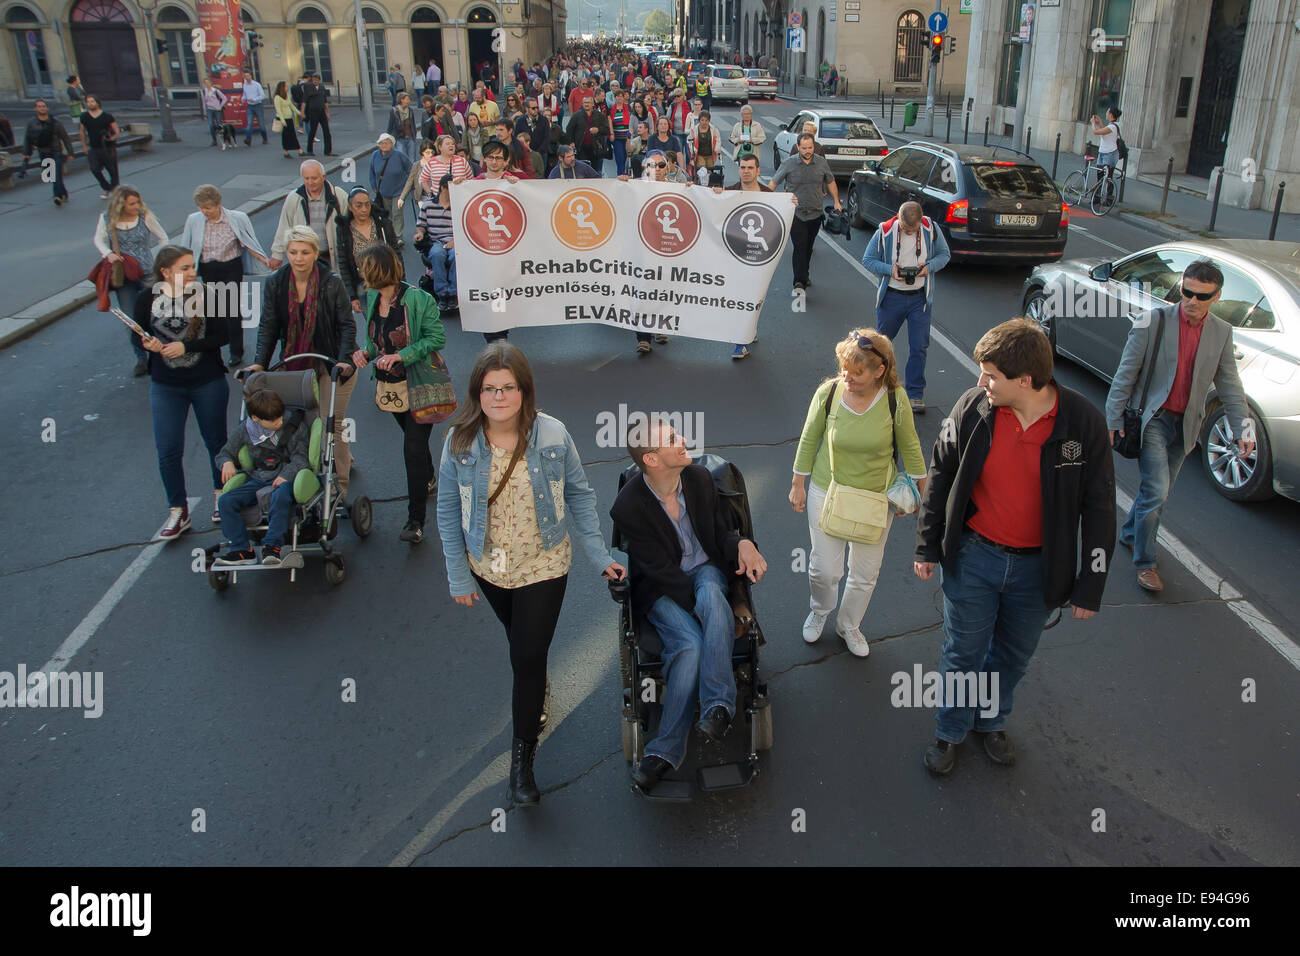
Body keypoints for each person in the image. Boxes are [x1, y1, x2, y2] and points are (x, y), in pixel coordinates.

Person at [915, 318, 1115, 775]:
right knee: (963, 652)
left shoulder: (1083, 423)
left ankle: (991, 720)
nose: (980, 381)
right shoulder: (973, 407)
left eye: (990, 375)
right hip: (974, 558)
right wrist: (927, 546)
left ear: (1025, 381)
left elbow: (1100, 507)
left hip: (1039, 571)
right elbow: (941, 475)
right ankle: (950, 730)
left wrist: (1091, 584)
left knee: (1012, 655)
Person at [436, 343, 626, 807]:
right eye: (489, 389)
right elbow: (445, 510)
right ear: (476, 393)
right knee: (520, 644)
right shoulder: (459, 441)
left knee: (525, 657)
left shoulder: (553, 435)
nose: (498, 396)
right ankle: (536, 682)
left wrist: (600, 555)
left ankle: (522, 762)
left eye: (508, 388)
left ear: (524, 390)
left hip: (544, 565)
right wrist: (459, 576)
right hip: (489, 568)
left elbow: (580, 495)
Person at [611, 418, 768, 791]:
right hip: (661, 589)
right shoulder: (629, 507)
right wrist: (699, 614)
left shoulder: (698, 480)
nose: (683, 440)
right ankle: (665, 750)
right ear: (651, 458)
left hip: (706, 572)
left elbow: (719, 535)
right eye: (671, 439)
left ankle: (718, 705)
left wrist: (744, 544)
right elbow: (659, 572)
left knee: (712, 591)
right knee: (690, 644)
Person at [1104, 259, 1252, 593]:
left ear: (1216, 296)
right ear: (1181, 287)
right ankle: (1145, 563)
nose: (1192, 301)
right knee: (1156, 490)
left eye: (1202, 296)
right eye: (1187, 292)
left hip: (1186, 425)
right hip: (1153, 421)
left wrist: (1242, 429)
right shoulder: (1152, 322)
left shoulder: (1221, 332)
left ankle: (1130, 533)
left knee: (1159, 492)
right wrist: (1112, 418)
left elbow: (1230, 384)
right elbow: (1125, 374)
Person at [790, 330, 926, 654]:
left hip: (876, 497)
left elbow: (911, 445)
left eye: (856, 372)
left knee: (865, 573)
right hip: (828, 488)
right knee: (824, 570)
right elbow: (809, 439)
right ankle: (820, 610)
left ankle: (849, 624)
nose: (846, 378)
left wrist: (923, 494)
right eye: (843, 369)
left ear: (880, 371)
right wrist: (797, 484)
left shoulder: (895, 399)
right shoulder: (829, 393)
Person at [247, 226, 358, 500]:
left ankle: (339, 488)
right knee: (301, 422)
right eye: (293, 252)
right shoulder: (276, 282)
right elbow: (269, 326)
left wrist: (343, 361)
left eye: (305, 252)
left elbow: (346, 326)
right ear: (287, 253)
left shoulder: (331, 282)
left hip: (331, 361)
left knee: (331, 423)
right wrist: (259, 363)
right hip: (296, 362)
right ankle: (313, 472)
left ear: (314, 253)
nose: (299, 258)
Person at [350, 243, 445, 542]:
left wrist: (403, 356)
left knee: (412, 449)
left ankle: (415, 521)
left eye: (364, 268)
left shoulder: (418, 299)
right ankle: (428, 476)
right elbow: (373, 341)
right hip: (390, 388)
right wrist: (363, 354)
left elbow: (436, 338)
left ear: (378, 269)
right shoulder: (371, 297)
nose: (360, 274)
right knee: (413, 443)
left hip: (419, 385)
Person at [133, 246, 230, 539]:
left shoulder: (207, 295)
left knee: (216, 442)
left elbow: (223, 335)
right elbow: (136, 337)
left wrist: (186, 346)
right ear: (165, 272)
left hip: (207, 380)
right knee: (168, 448)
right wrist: (147, 345)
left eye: (192, 267)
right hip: (166, 385)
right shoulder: (146, 299)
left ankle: (221, 496)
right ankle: (178, 510)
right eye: (184, 268)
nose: (192, 273)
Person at [862, 200, 953, 415]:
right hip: (892, 297)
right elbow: (868, 260)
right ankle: (877, 387)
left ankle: (915, 394)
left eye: (912, 230)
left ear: (921, 222)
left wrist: (927, 268)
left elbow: (944, 255)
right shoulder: (884, 231)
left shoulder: (931, 229)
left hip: (919, 299)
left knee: (919, 347)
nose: (908, 232)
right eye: (904, 228)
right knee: (880, 346)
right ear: (898, 219)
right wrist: (890, 270)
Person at [212, 388, 309, 567]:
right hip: (258, 477)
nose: (279, 422)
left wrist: (286, 475)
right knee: (226, 501)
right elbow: (224, 453)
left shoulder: (293, 426)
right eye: (273, 421)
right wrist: (226, 462)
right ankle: (242, 550)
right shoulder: (245, 430)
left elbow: (301, 457)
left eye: (280, 417)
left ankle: (272, 546)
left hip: (287, 476)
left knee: (280, 496)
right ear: (256, 418)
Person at [180, 184, 271, 367]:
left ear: (218, 204)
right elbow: (186, 246)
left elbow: (249, 241)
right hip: (207, 268)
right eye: (201, 207)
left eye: (208, 208)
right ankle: (215, 348)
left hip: (231, 267)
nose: (204, 211)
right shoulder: (194, 220)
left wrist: (264, 259)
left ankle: (236, 351)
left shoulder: (237, 218)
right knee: (213, 310)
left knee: (231, 309)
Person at [95, 185, 168, 376]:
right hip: (124, 276)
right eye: (132, 203)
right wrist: (108, 254)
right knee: (130, 318)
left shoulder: (145, 217)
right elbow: (98, 240)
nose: (137, 206)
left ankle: (155, 354)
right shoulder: (106, 219)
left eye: (138, 202)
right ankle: (140, 357)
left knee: (153, 315)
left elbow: (163, 238)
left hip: (147, 273)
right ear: (121, 205)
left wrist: (156, 260)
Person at [770, 133, 840, 291]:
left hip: (815, 212)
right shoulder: (788, 163)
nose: (808, 151)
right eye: (804, 148)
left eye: (810, 148)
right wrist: (767, 200)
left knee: (808, 247)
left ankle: (804, 274)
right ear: (798, 147)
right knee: (800, 246)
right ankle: (799, 281)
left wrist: (836, 201)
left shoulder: (821, 163)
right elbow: (773, 182)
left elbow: (830, 181)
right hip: (796, 213)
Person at [268, 159, 349, 271]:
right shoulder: (294, 198)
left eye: (314, 178)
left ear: (323, 177)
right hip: (304, 258)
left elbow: (350, 225)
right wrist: (277, 254)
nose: (310, 182)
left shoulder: (338, 195)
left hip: (331, 258)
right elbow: (284, 226)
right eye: (306, 178)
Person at [335, 186, 399, 315]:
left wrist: (401, 282)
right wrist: (352, 296)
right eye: (359, 206)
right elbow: (343, 263)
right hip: (363, 286)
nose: (364, 209)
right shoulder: (344, 229)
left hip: (388, 282)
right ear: (350, 207)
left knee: (393, 323)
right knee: (373, 326)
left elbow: (396, 254)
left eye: (367, 205)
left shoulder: (383, 224)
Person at [415, 173, 457, 312]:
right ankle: (442, 294)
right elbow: (421, 225)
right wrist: (420, 234)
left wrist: (455, 241)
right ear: (444, 188)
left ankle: (453, 292)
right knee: (437, 254)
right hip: (436, 241)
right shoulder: (428, 205)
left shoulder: (459, 206)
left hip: (453, 241)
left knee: (456, 256)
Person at [21, 100, 74, 206]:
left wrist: (70, 153)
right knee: (50, 176)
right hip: (43, 152)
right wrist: (26, 153)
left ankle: (57, 196)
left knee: (56, 174)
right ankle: (63, 192)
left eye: (44, 106)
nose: (42, 108)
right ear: (35, 109)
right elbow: (28, 138)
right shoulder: (32, 123)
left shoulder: (55, 122)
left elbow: (65, 138)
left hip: (56, 151)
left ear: (47, 108)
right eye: (39, 106)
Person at [370, 133, 414, 243]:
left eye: (386, 143)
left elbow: (410, 169)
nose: (383, 145)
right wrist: (374, 186)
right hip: (383, 191)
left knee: (397, 213)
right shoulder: (375, 155)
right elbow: (371, 172)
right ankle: (389, 234)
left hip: (398, 190)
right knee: (386, 214)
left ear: (392, 144)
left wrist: (409, 184)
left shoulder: (399, 155)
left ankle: (398, 236)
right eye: (381, 143)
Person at [78, 94, 119, 197]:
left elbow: (116, 130)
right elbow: (82, 132)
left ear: (97, 103)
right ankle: (106, 187)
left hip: (107, 147)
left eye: (92, 101)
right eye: (88, 102)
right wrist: (84, 146)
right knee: (94, 169)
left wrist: (111, 138)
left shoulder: (107, 116)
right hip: (94, 147)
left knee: (112, 170)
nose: (90, 104)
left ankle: (115, 188)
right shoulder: (84, 117)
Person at [566, 94, 611, 171]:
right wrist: (571, 142)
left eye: (588, 102)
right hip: (581, 148)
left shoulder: (599, 115)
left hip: (595, 148)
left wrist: (598, 130)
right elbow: (569, 130)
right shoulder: (577, 115)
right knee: (581, 170)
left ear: (593, 104)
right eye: (585, 103)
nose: (586, 104)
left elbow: (606, 129)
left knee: (595, 170)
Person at [1090, 106, 1123, 200]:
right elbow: (1105, 131)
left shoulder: (1113, 126)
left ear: (1111, 114)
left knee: (1108, 177)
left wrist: (1093, 123)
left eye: (1107, 112)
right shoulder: (1111, 126)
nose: (1106, 113)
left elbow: (1096, 132)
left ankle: (1108, 198)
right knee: (1100, 176)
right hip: (1103, 152)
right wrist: (1100, 122)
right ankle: (1097, 197)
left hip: (1110, 154)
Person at [303, 74, 334, 156]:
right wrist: (302, 112)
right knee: (313, 131)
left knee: (326, 131)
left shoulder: (321, 88)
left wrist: (327, 113)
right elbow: (304, 101)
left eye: (316, 80)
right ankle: (310, 150)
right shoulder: (309, 88)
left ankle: (328, 151)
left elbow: (325, 101)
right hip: (313, 112)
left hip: (321, 111)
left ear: (319, 80)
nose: (315, 81)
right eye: (313, 80)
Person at [686, 109, 720, 183]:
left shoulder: (713, 129)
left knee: (709, 172)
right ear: (699, 120)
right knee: (703, 171)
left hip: (710, 154)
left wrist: (717, 148)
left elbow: (717, 139)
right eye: (702, 120)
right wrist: (693, 149)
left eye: (706, 120)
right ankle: (703, 185)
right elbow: (689, 140)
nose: (704, 122)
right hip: (700, 155)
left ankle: (709, 186)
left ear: (709, 121)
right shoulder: (694, 130)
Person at [273, 80, 304, 157]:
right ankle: (293, 151)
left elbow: (291, 106)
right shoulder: (277, 97)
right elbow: (278, 110)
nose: (287, 88)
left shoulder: (287, 96)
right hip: (283, 119)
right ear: (282, 88)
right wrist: (283, 120)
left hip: (289, 118)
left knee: (291, 135)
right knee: (286, 136)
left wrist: (299, 113)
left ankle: (294, 151)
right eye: (286, 86)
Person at [388, 91, 419, 164]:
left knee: (412, 159)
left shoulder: (410, 110)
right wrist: (389, 137)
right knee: (402, 157)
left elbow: (413, 124)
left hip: (410, 137)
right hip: (399, 138)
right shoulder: (394, 111)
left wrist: (414, 135)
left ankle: (412, 174)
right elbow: (391, 124)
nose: (408, 101)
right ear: (401, 100)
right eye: (407, 99)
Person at [241, 69, 268, 146]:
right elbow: (245, 95)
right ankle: (248, 139)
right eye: (245, 76)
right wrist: (243, 99)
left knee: (261, 124)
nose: (247, 77)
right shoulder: (245, 85)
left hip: (257, 105)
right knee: (249, 123)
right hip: (250, 106)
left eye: (248, 75)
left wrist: (254, 99)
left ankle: (265, 138)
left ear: (251, 76)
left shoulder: (257, 84)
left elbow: (263, 95)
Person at [202, 79, 228, 146]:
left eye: (208, 83)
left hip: (217, 109)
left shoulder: (216, 91)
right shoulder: (204, 91)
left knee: (219, 125)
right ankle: (214, 140)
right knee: (211, 125)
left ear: (211, 83)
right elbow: (204, 102)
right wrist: (205, 111)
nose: (207, 84)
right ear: (204, 84)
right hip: (209, 109)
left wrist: (220, 106)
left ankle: (223, 140)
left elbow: (224, 98)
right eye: (206, 83)